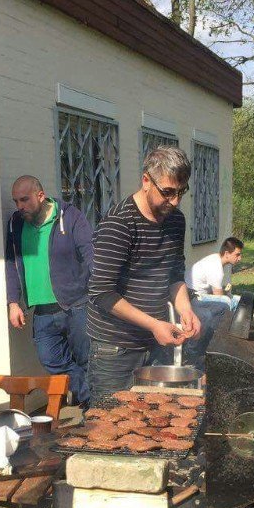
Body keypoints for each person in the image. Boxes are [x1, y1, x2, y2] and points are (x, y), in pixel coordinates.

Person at [87, 146, 201, 396]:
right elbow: (101, 292)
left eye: (181, 192)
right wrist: (153, 324)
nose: (175, 201)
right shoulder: (118, 224)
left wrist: (185, 309)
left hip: (155, 345)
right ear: (146, 180)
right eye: (168, 192)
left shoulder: (175, 220)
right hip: (114, 351)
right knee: (109, 427)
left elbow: (174, 275)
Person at [5, 175, 93, 405]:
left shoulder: (70, 217)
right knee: (51, 359)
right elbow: (10, 263)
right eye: (16, 201)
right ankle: (90, 400)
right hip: (42, 309)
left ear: (40, 196)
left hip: (76, 304)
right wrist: (13, 301)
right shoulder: (16, 223)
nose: (19, 206)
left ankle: (91, 410)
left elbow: (90, 254)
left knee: (86, 360)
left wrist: (95, 292)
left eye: (24, 200)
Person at [184, 236, 245, 372]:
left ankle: (215, 341)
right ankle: (205, 347)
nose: (239, 258)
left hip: (197, 294)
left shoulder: (215, 259)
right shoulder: (216, 268)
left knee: (228, 302)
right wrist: (229, 298)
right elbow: (219, 296)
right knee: (228, 303)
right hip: (191, 296)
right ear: (227, 253)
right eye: (237, 254)